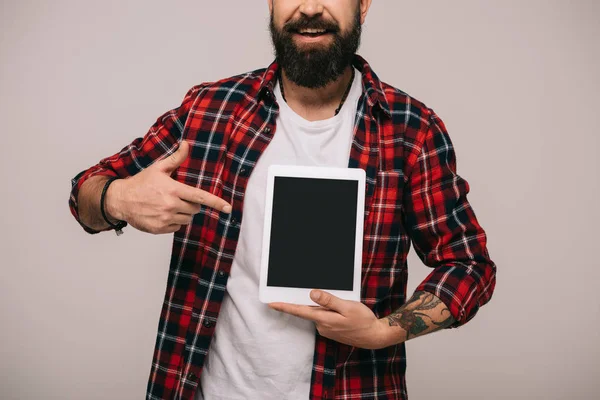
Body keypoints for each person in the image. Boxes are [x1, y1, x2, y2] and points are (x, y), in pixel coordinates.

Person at [68, 1, 497, 399]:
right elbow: (85, 191)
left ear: (363, 3)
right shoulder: (208, 111)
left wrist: (384, 331)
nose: (309, 8)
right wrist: (118, 199)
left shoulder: (410, 130)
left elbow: (469, 265)